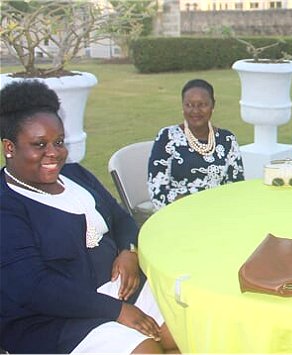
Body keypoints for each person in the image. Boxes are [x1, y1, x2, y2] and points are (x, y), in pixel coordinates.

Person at [0, 81, 177, 353]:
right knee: (146, 349)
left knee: (186, 331)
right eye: (39, 144)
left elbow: (122, 220)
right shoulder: (7, 204)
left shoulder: (74, 175)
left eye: (58, 142)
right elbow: (34, 287)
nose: (54, 153)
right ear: (9, 147)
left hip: (120, 290)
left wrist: (128, 252)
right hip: (53, 319)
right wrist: (117, 311)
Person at [148, 79, 244, 209]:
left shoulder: (227, 139)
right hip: (177, 211)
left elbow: (236, 185)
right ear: (182, 106)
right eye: (189, 105)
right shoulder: (167, 137)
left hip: (219, 211)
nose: (195, 110)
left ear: (213, 106)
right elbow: (157, 189)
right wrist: (193, 207)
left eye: (202, 104)